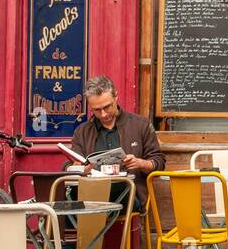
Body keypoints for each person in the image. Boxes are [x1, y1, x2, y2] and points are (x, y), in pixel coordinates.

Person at [69, 75, 165, 209]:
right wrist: (80, 169)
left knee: (94, 200)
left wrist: (140, 163)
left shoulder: (140, 125)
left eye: (107, 107)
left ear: (116, 97)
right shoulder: (82, 131)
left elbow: (159, 162)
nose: (103, 114)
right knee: (64, 200)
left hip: (129, 193)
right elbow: (70, 165)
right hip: (90, 191)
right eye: (96, 110)